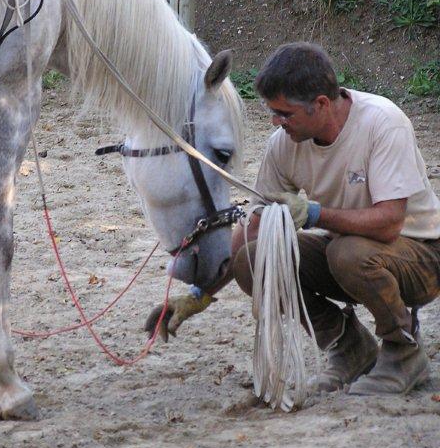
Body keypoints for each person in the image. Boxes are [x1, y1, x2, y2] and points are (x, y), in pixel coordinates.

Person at [149, 42, 440, 396]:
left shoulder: (383, 123)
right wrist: (199, 294)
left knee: (346, 253)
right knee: (255, 259)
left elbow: (390, 222)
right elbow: (253, 225)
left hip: (420, 256)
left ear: (320, 104)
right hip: (350, 254)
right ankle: (349, 349)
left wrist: (315, 214)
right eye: (272, 112)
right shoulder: (283, 143)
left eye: (285, 114)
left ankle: (404, 352)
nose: (276, 122)